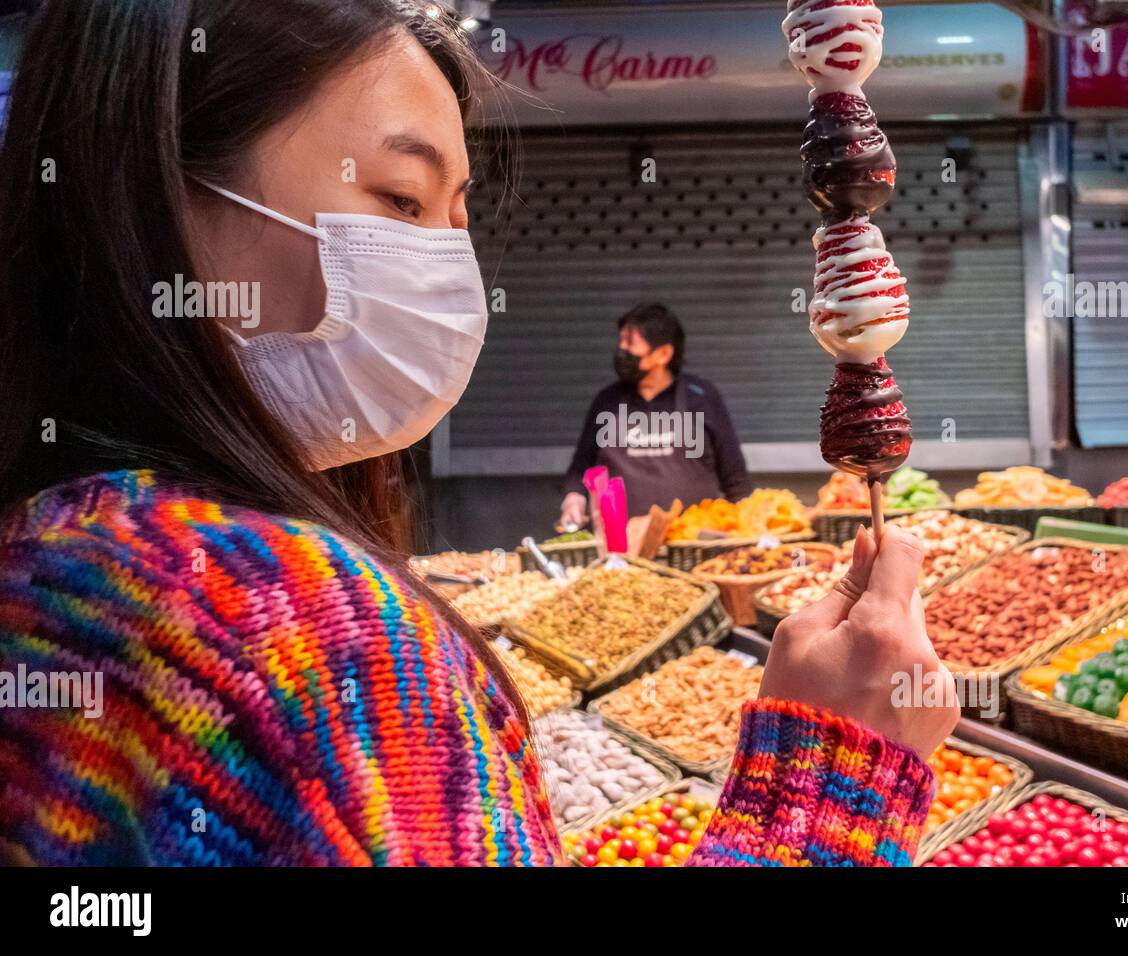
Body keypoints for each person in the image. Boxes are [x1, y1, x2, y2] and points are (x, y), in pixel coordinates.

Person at [0, 0, 957, 866]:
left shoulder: (49, 557)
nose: (441, 270)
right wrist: (831, 782)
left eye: (453, 220)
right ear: (157, 195)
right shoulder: (296, 634)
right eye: (399, 200)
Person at [559, 304, 753, 527]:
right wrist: (573, 499)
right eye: (620, 341)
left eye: (630, 343)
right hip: (621, 549)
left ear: (664, 354)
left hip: (693, 543)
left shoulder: (702, 397)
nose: (621, 350)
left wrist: (751, 531)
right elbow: (580, 469)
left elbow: (736, 479)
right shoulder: (606, 401)